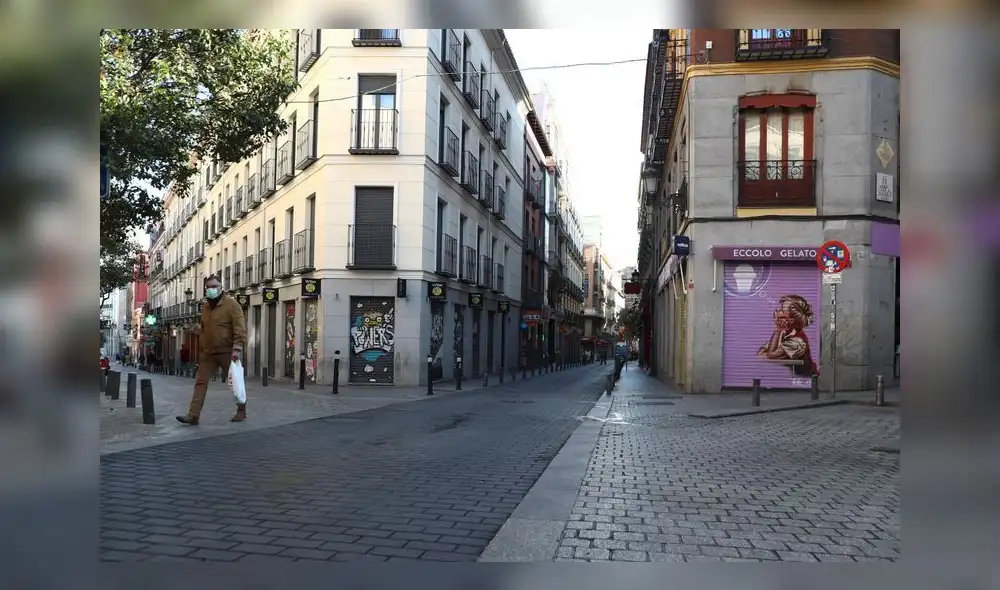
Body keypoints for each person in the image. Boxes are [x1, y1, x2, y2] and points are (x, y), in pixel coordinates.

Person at [176, 275, 247, 425]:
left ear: (221, 287)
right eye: (208, 287)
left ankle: (241, 410)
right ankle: (193, 415)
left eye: (214, 286)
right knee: (200, 382)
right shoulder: (206, 307)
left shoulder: (232, 304)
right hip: (208, 352)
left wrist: (237, 348)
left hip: (227, 351)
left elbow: (239, 327)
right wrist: (197, 330)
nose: (211, 289)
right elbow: (206, 328)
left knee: (235, 382)